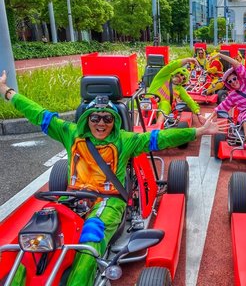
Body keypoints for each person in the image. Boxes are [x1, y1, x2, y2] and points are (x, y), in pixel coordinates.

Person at [0, 70, 227, 286]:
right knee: (31, 239)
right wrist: (6, 90)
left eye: (107, 119)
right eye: (96, 118)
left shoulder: (126, 140)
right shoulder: (71, 133)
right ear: (87, 118)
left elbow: (161, 137)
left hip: (109, 200)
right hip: (72, 199)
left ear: (114, 121)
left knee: (90, 235)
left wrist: (197, 132)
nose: (101, 123)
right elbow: (38, 113)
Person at [147, 57, 205, 125]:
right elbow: (171, 66)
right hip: (147, 104)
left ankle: (158, 126)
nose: (180, 77)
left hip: (160, 110)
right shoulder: (162, 76)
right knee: (136, 105)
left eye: (183, 78)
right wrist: (188, 60)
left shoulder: (180, 89)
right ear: (175, 72)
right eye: (180, 74)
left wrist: (199, 114)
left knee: (165, 104)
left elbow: (189, 101)